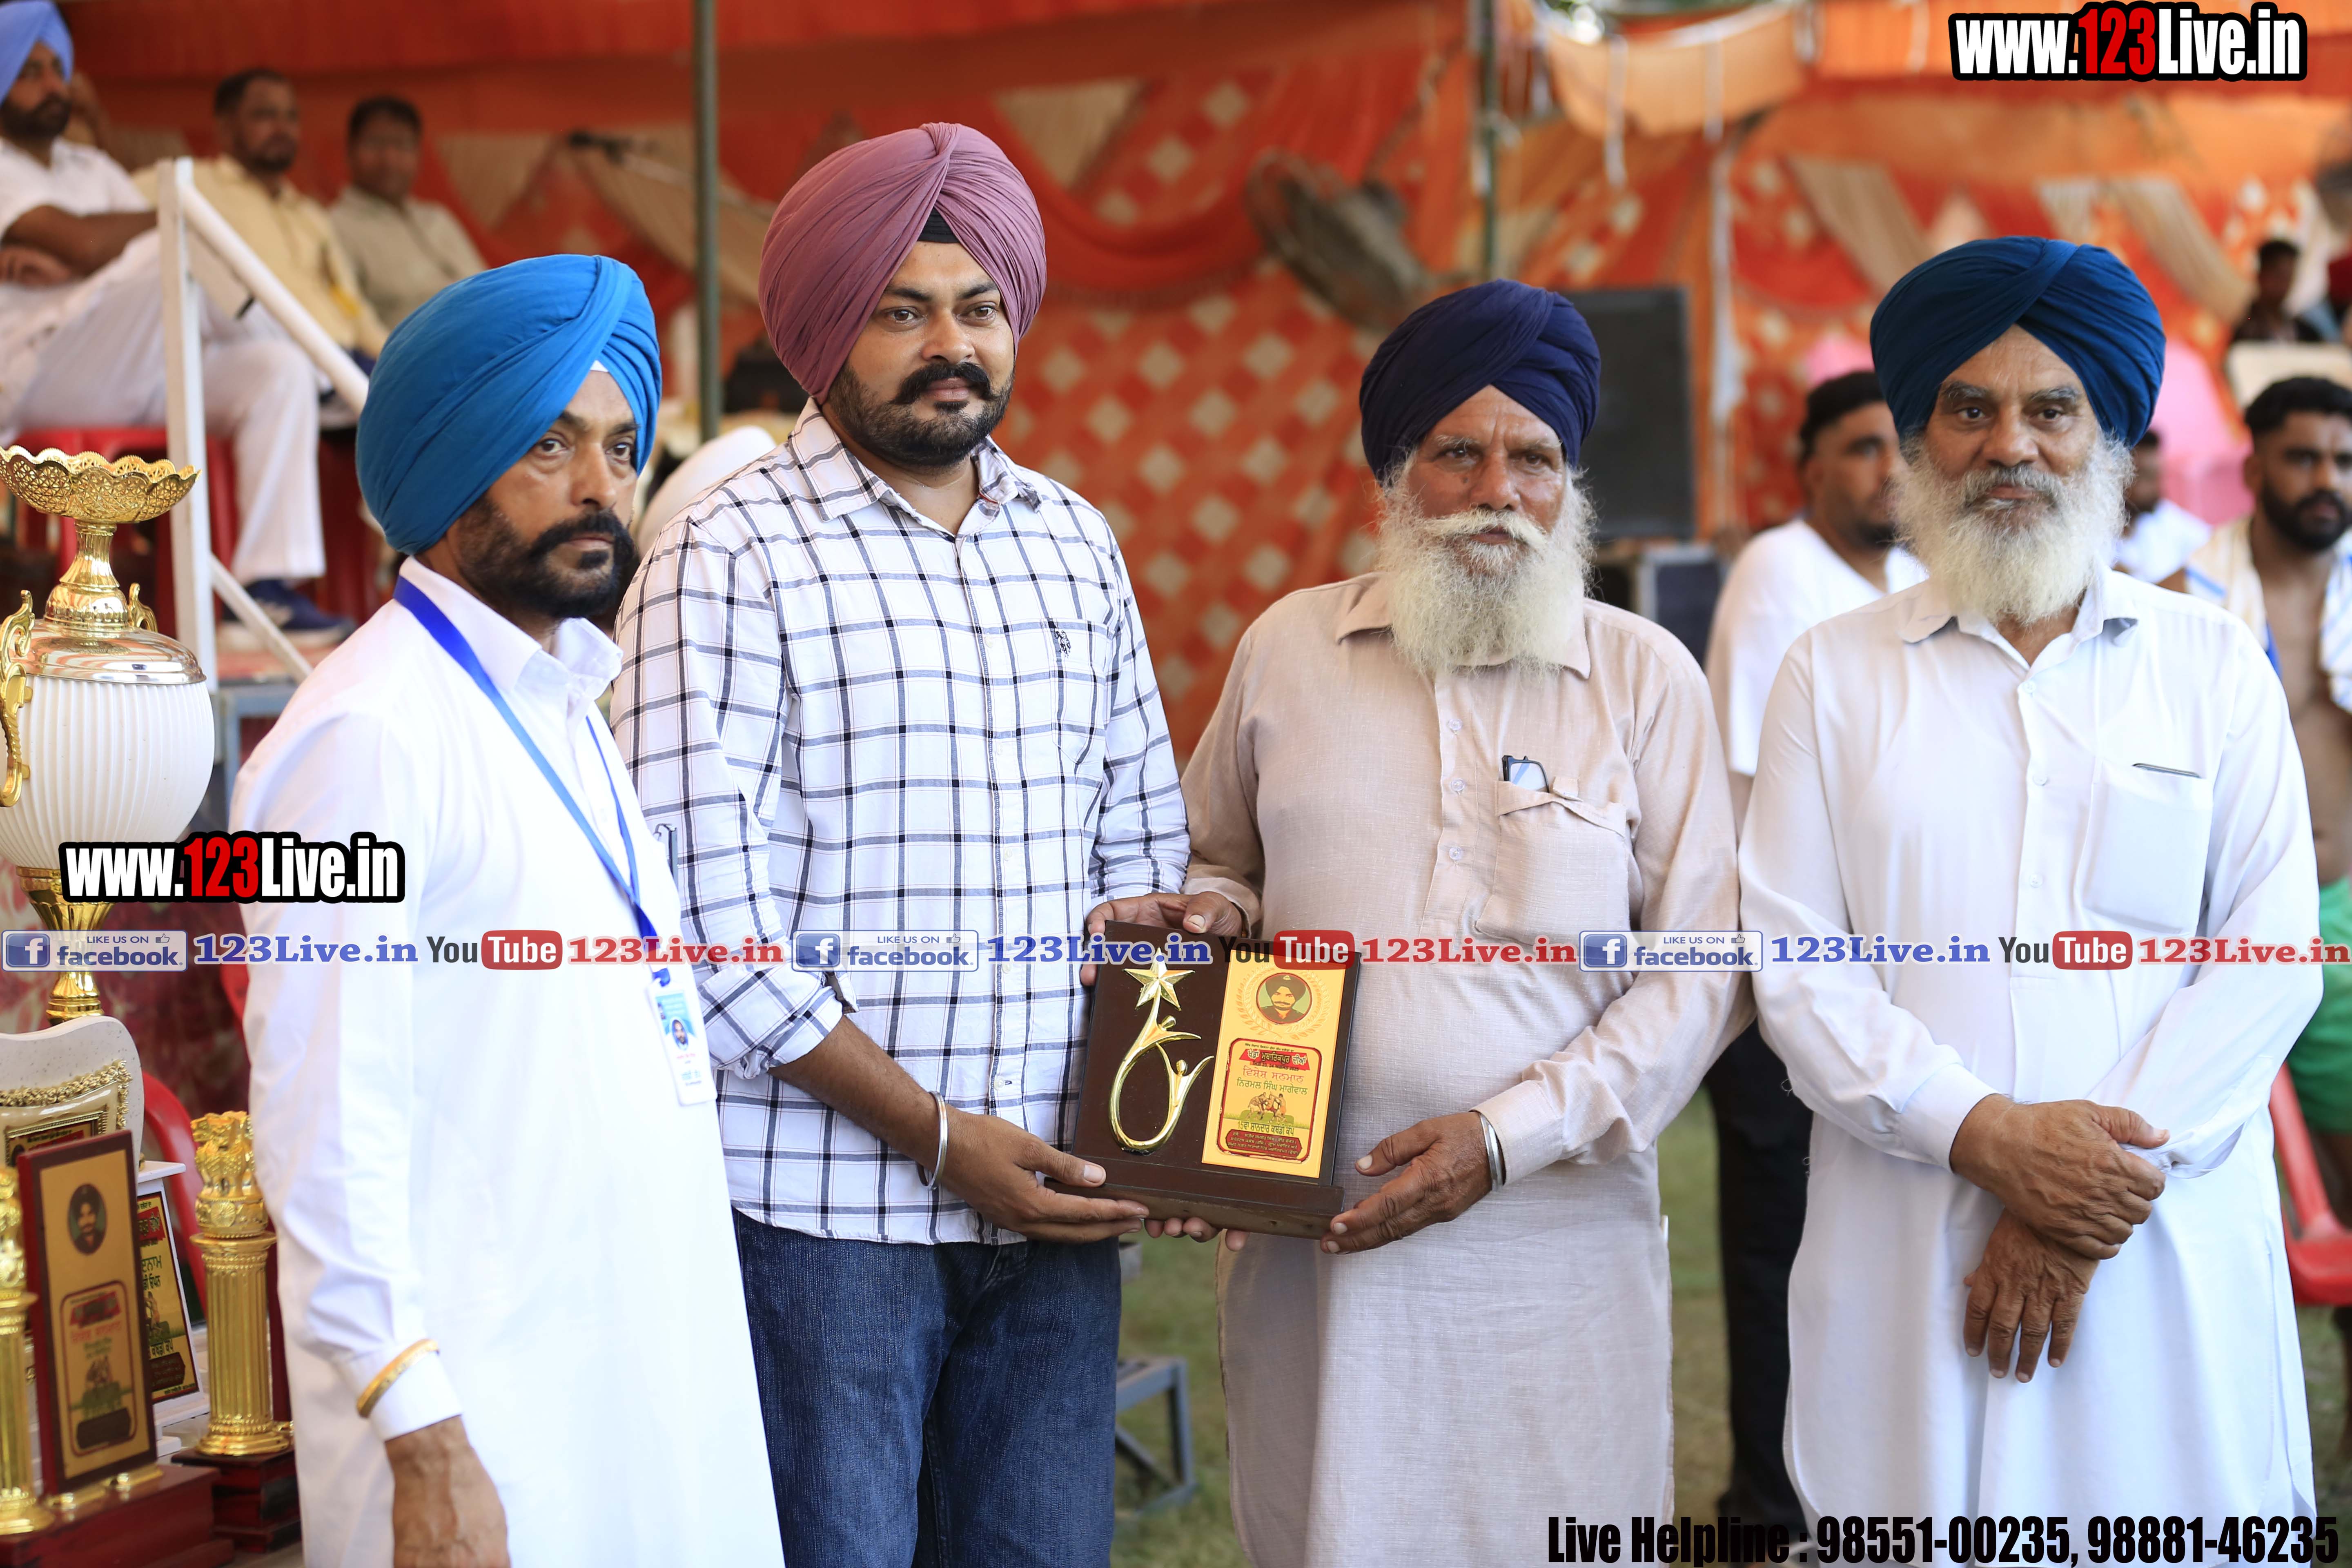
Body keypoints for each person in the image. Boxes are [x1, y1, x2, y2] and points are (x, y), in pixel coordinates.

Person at [612, 122, 1188, 1568]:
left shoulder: (1074, 542)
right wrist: (938, 1139)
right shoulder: (727, 550)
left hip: (1055, 1207)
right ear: (822, 333)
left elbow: (1141, 857)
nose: (953, 346)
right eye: (902, 310)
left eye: (980, 307)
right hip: (822, 1226)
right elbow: (707, 937)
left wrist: (1167, 1132)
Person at [1162, 279, 1744, 1566]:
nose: (1497, 490)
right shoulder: (1287, 648)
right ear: (1395, 474)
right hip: (1315, 1233)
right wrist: (1209, 927)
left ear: (1569, 482)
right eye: (1457, 452)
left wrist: (1504, 1136)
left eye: (1532, 457)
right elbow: (1217, 864)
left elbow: (1704, 972)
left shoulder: (1645, 676)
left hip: (1557, 1238)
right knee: (1329, 1527)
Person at [1743, 236, 2318, 1518]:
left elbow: (2270, 954)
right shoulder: (1830, 674)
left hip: (2155, 1239)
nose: (2011, 445)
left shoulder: (2212, 663)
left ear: (2108, 436)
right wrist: (1985, 1134)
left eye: (2052, 409)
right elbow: (1796, 965)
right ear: (1919, 437)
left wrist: (2077, 1199)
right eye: (1969, 408)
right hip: (1910, 1228)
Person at [233, 255, 783, 1568]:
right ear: (450, 465)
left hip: (643, 1382)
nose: (601, 486)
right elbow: (326, 1125)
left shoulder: (566, 700)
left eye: (621, 446)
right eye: (549, 444)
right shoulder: (363, 737)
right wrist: (420, 1431)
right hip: (487, 1420)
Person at [1698, 368, 1920, 1536]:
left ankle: (1870, 1501)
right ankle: (1766, 1510)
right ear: (1810, 469)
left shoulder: (1920, 581)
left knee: (1879, 1248)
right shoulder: (1780, 574)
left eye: (1899, 446)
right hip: (1781, 975)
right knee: (1778, 1254)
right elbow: (1760, 800)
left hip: (1895, 988)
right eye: (1860, 447)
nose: (1887, 469)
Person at [0, 4, 343, 637]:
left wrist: (107, 245)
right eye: (30, 72)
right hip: (38, 376)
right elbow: (92, 240)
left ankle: (263, 591)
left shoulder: (89, 168)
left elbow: (106, 241)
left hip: (130, 369)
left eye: (58, 71)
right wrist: (137, 231)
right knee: (180, 249)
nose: (53, 86)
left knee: (275, 370)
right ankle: (334, 382)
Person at [2168, 374, 2352, 1432]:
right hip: (2222, 934)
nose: (2327, 479)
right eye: (2304, 456)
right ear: (2254, 467)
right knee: (2220, 1193)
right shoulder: (2184, 600)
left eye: (2345, 459)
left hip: (2346, 918)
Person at [157, 68, 387, 364]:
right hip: (273, 360)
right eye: (265, 115)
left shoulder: (310, 213)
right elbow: (114, 202)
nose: (283, 128)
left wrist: (395, 357)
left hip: (346, 357)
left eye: (292, 117)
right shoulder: (190, 186)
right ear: (225, 127)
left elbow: (353, 306)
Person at [328, 96, 484, 330]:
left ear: (419, 155)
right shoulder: (334, 226)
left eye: (402, 145)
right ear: (350, 151)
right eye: (375, 144)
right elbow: (353, 321)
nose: (389, 159)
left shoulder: (437, 218)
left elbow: (487, 284)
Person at [2114, 426, 2209, 582]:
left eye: (2156, 477)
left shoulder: (2185, 533)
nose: (2153, 488)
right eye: (2142, 476)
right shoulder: (2093, 533)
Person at [2234, 236, 2326, 345]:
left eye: (2289, 277)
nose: (2284, 284)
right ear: (2261, 275)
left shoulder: (2301, 329)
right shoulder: (2247, 326)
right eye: (2279, 276)